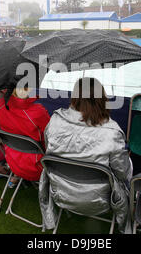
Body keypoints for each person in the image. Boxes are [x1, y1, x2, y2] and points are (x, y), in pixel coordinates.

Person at [39, 77, 132, 233]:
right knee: (127, 164)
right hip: (100, 201)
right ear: (102, 98)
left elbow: (49, 150)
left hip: (60, 193)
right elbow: (122, 173)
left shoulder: (55, 120)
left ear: (75, 96)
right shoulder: (112, 132)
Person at [0, 86, 50, 188]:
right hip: (38, 167)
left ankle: (16, 178)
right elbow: (51, 137)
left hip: (13, 162)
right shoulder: (37, 112)